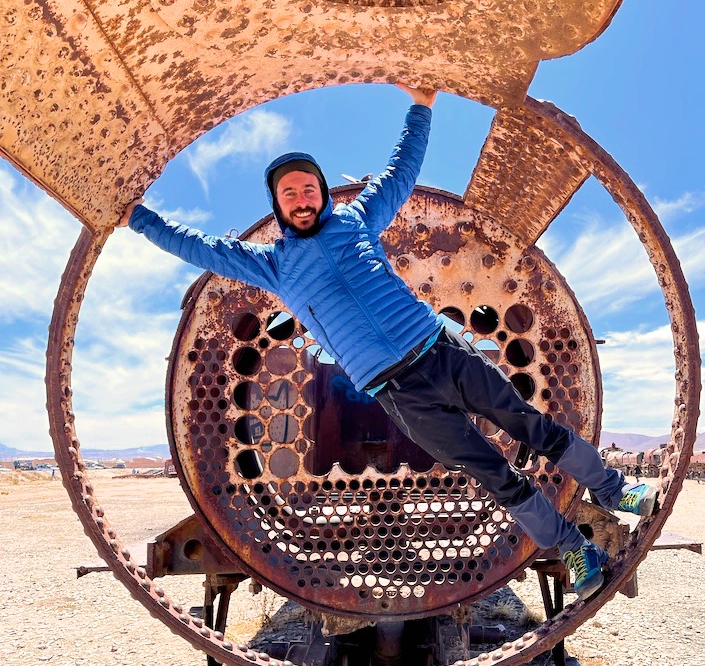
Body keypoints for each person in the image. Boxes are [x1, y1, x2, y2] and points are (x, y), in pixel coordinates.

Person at [119, 82, 657, 600]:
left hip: (443, 352)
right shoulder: (274, 265)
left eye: (308, 188)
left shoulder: (356, 220)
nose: (301, 198)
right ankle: (572, 549)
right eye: (289, 193)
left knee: (530, 427)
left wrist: (421, 107)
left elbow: (401, 172)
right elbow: (195, 246)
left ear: (323, 193)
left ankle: (615, 489)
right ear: (279, 206)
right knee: (492, 473)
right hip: (398, 393)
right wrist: (137, 219)